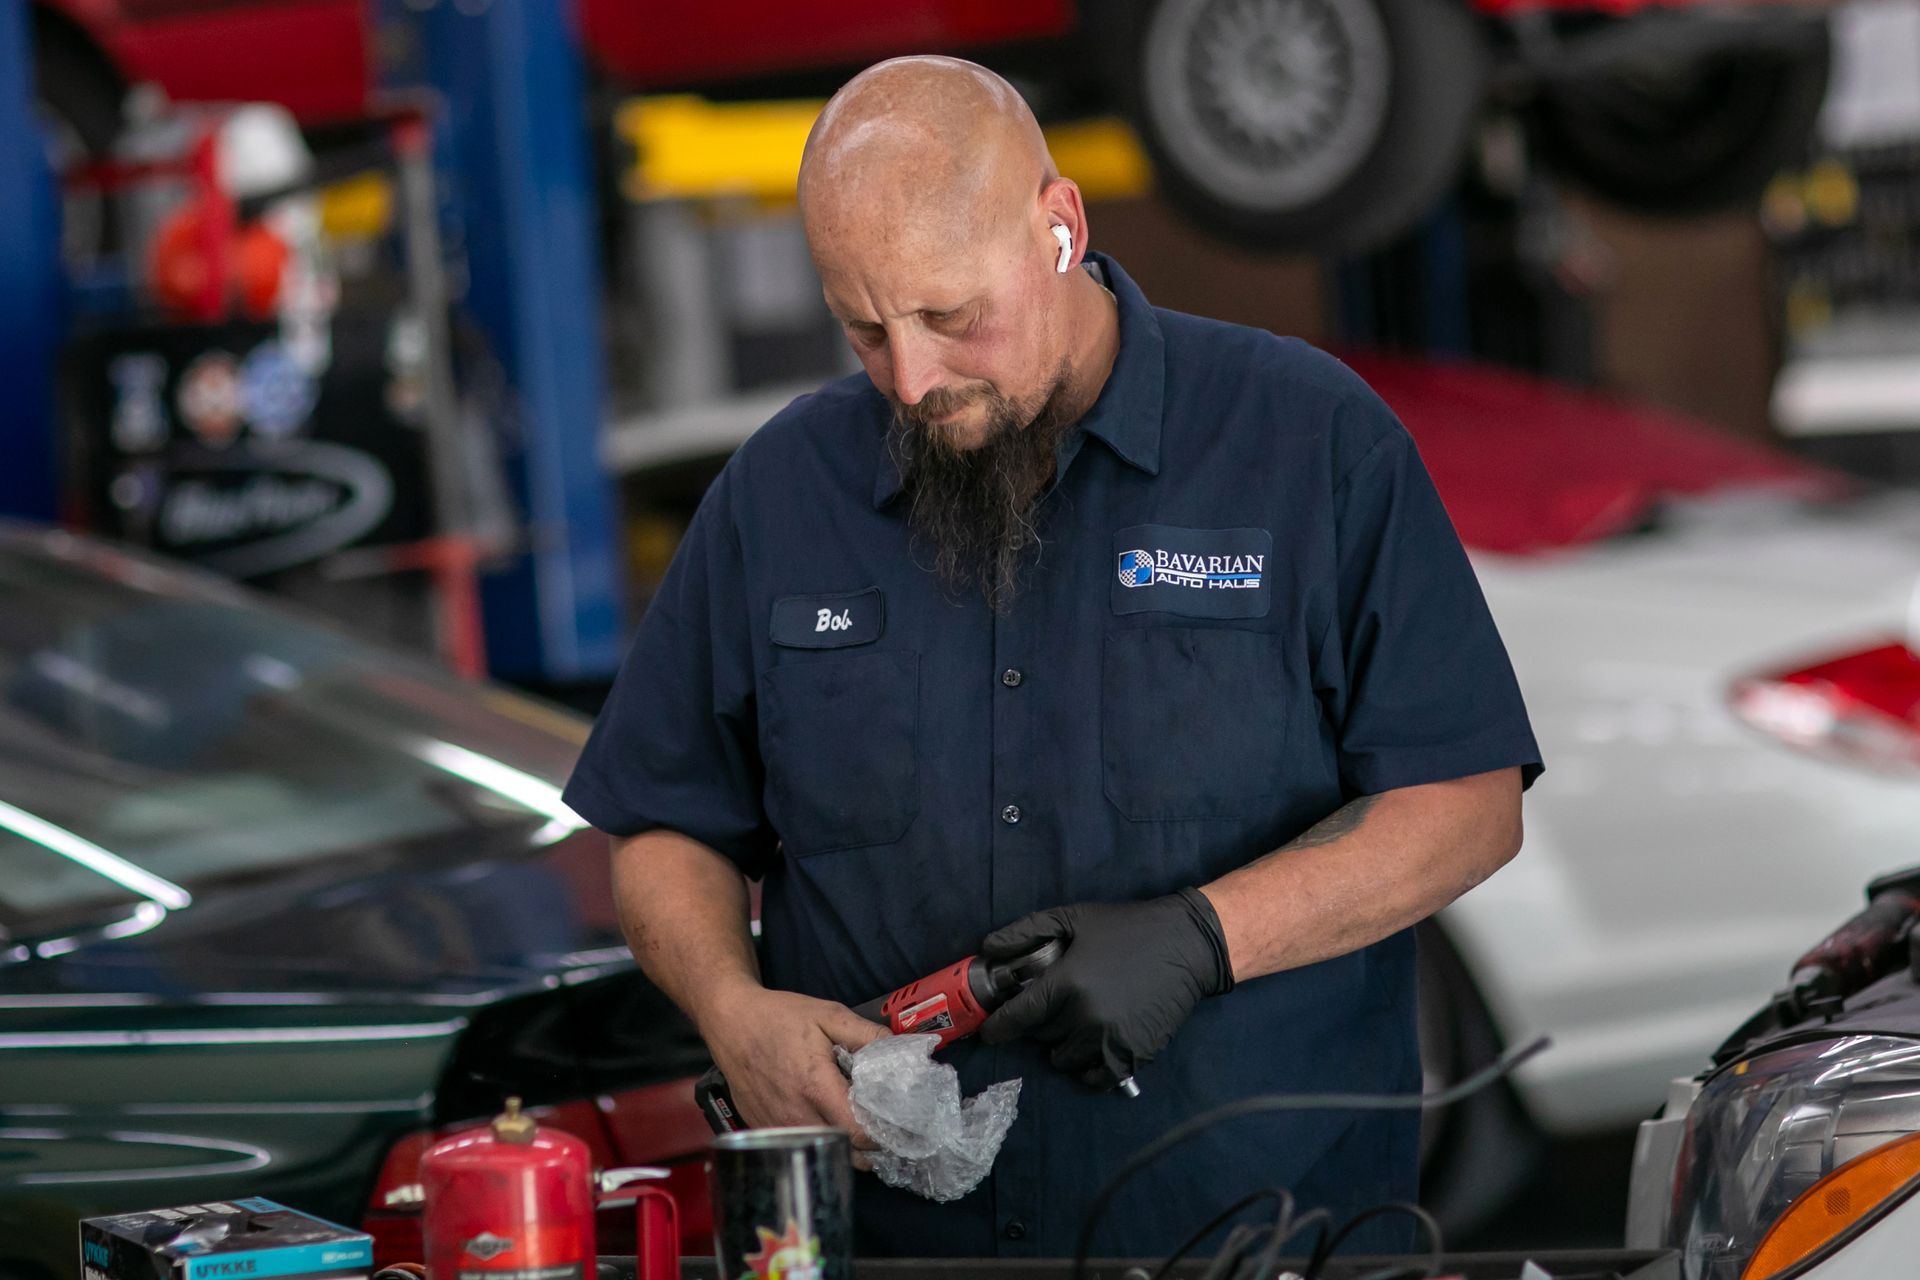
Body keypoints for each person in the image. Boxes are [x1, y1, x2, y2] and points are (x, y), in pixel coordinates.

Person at [564, 55, 1542, 1259]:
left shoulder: (1308, 441)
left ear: (1059, 226)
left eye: (951, 315)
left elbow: (1466, 802)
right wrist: (732, 1009)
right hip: (901, 1246)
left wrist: (1207, 933)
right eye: (866, 329)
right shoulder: (781, 494)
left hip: (1260, 1239)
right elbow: (665, 820)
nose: (913, 378)